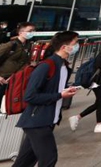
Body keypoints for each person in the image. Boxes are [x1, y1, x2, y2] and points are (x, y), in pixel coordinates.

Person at [12, 31, 80, 167]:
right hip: (37, 121)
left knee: (24, 162)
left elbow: (55, 89)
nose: (78, 46)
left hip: (48, 120)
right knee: (49, 159)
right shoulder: (46, 66)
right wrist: (60, 95)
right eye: (75, 43)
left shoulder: (64, 67)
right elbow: (30, 96)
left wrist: (65, 91)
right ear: (64, 47)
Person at [0, 22, 35, 101]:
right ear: (20, 32)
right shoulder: (10, 45)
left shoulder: (28, 46)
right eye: (29, 31)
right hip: (3, 79)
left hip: (15, 79)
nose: (32, 33)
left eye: (33, 31)